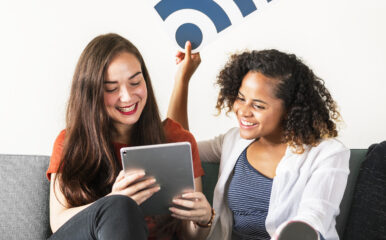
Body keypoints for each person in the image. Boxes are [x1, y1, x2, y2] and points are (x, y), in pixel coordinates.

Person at [168, 43, 350, 240]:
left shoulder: (328, 153)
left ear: (290, 109)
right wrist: (182, 78)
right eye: (241, 98)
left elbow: (315, 214)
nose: (244, 111)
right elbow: (179, 147)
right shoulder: (233, 141)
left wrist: (300, 231)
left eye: (258, 105)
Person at [46, 33, 213, 240]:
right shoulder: (70, 142)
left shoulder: (177, 140)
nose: (127, 97)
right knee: (119, 205)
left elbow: (190, 236)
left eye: (135, 82)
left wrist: (204, 218)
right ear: (91, 94)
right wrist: (113, 201)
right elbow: (58, 223)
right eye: (111, 88)